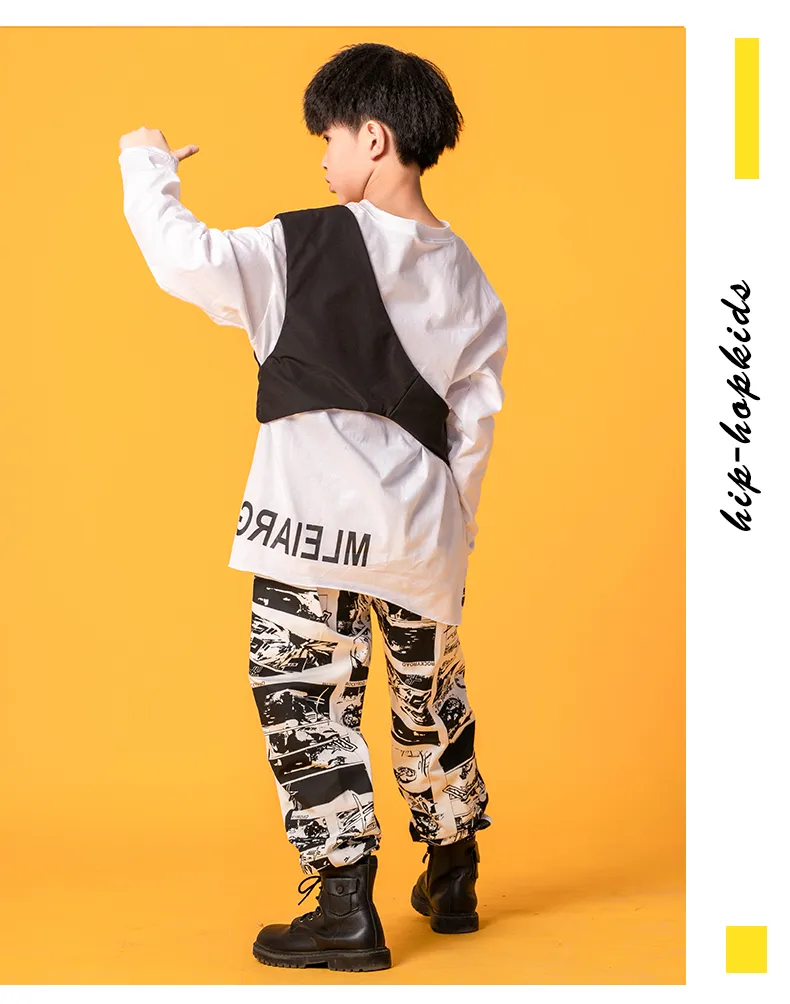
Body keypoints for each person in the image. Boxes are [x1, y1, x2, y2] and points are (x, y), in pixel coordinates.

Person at [118, 41, 508, 973]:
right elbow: (474, 428)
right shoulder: (468, 275)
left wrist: (147, 165)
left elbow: (182, 258)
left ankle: (343, 908)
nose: (323, 158)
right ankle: (453, 871)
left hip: (310, 529)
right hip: (423, 535)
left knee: (305, 701)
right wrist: (451, 542)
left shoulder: (296, 247)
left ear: (373, 138)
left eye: (329, 137)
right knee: (428, 699)